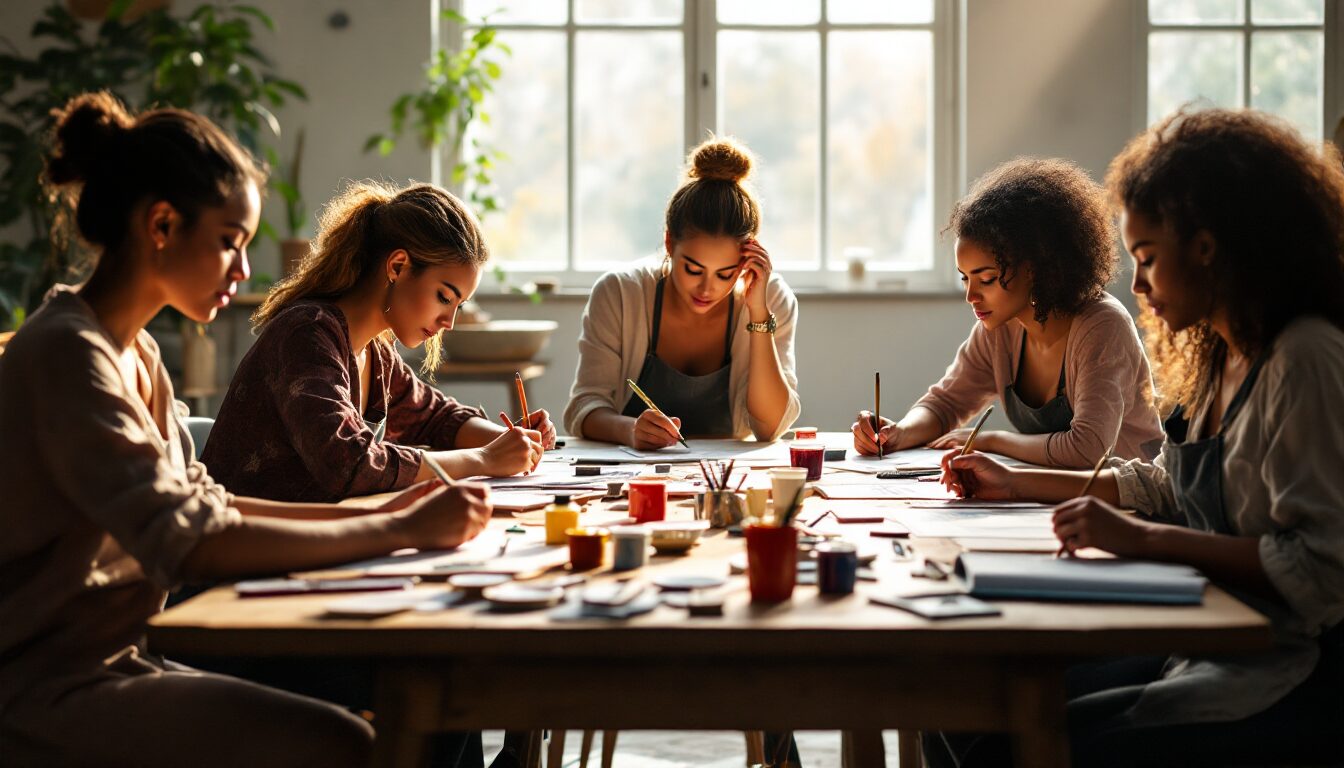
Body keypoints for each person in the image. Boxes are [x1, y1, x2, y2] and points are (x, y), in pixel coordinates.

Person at [0, 92, 493, 767]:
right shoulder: (67, 354)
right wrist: (399, 528)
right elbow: (191, 538)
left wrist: (407, 509)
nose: (243, 272)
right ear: (162, 225)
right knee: (349, 741)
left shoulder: (138, 353)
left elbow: (210, 501)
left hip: (121, 659)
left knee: (408, 705)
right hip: (42, 687)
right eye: (230, 243)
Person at [931, 108, 1344, 766]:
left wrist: (1142, 539)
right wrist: (1017, 481)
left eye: (1148, 258)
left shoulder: (1304, 359)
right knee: (959, 701)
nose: (1139, 282)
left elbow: (1318, 572)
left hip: (1279, 669)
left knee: (1001, 743)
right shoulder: (1208, 354)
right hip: (1201, 635)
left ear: (1207, 247)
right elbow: (1163, 483)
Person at [202, 180, 555, 502]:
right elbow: (351, 464)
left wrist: (513, 442)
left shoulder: (376, 353)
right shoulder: (306, 333)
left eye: (459, 305)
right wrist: (485, 459)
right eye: (444, 297)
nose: (449, 322)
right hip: (245, 557)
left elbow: (435, 418)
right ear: (398, 266)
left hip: (318, 546)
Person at [852, 158, 1164, 467]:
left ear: (1034, 268)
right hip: (1052, 498)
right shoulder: (1001, 329)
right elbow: (946, 403)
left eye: (986, 279)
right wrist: (898, 433)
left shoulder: (1101, 326)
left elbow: (1087, 450)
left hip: (1123, 501)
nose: (971, 295)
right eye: (965, 278)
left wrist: (990, 440)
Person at [564, 137, 801, 448]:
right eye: (692, 269)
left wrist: (759, 314)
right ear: (669, 244)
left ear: (747, 260)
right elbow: (584, 408)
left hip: (724, 479)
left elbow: (770, 428)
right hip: (630, 475)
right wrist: (630, 430)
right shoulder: (619, 293)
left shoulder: (771, 299)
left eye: (725, 274)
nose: (707, 288)